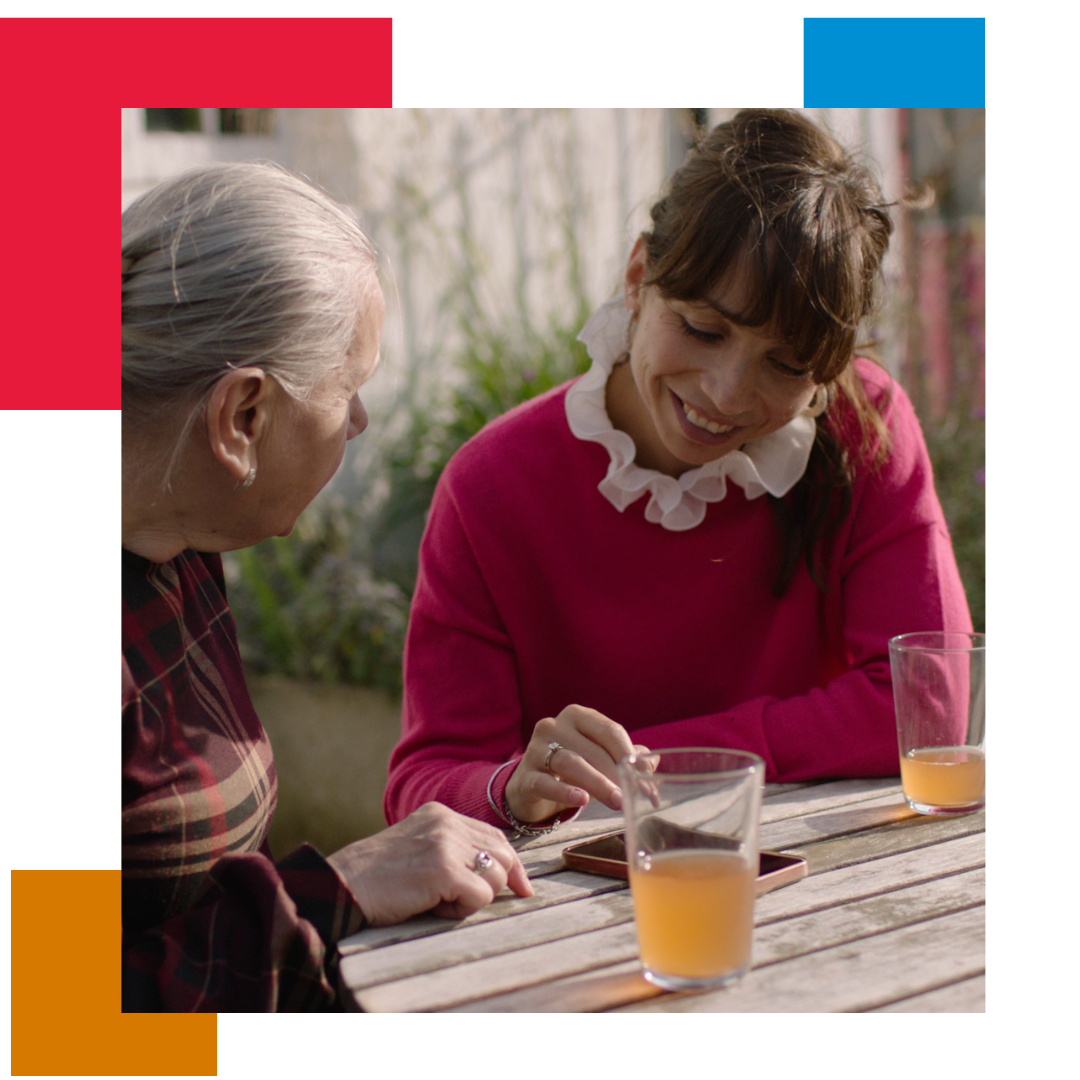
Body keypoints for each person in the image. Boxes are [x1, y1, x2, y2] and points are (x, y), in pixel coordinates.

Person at [384, 109, 973, 834]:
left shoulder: (864, 425)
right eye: (703, 329)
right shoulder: (490, 486)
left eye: (785, 364)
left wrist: (657, 760)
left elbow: (929, 707)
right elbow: (425, 783)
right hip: (572, 904)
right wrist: (512, 786)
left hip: (818, 867)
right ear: (638, 277)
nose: (727, 393)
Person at [122, 162, 531, 1012]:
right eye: (350, 388)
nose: (361, 422)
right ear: (243, 418)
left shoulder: (178, 540)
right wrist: (329, 888)